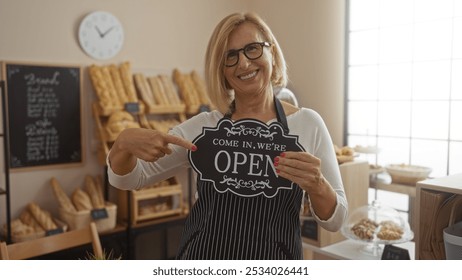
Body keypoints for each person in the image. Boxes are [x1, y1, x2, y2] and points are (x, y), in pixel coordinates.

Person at [107, 12, 347, 260]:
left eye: (252, 49)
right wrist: (122, 144)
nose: (243, 63)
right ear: (221, 70)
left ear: (272, 53)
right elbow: (130, 180)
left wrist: (317, 185)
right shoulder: (203, 127)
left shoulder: (307, 124)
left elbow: (336, 220)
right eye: (230, 56)